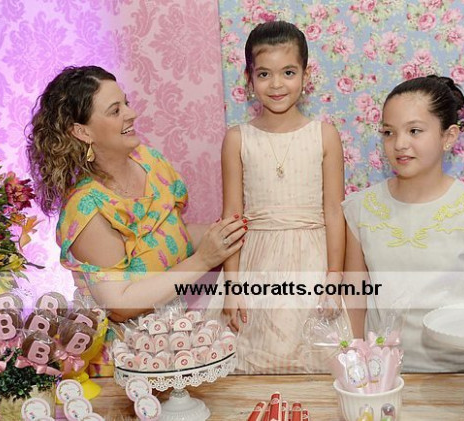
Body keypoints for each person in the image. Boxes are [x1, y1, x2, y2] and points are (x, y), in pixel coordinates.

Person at [26, 65, 246, 375]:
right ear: (83, 132)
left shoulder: (149, 161)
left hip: (174, 347)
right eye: (115, 110)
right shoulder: (87, 207)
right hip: (127, 365)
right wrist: (205, 259)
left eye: (126, 103)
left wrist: (231, 234)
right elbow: (120, 303)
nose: (131, 114)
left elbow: (171, 238)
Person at [342, 75, 464, 372]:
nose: (400, 144)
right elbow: (354, 306)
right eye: (389, 132)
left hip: (462, 380)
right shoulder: (361, 210)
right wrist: (355, 372)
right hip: (381, 379)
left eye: (414, 131)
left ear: (449, 136)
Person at [220, 21, 346, 374]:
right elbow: (231, 216)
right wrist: (232, 285)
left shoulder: (324, 135)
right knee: (256, 360)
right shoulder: (237, 139)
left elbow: (334, 212)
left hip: (312, 261)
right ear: (249, 79)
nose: (276, 84)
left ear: (306, 75)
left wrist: (334, 275)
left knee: (314, 363)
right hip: (255, 263)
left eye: (288, 72)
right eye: (264, 74)